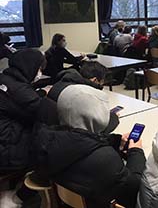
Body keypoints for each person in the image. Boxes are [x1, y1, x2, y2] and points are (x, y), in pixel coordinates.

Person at [35, 85, 146, 208]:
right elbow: (133, 188)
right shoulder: (104, 158)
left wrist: (115, 140)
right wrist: (136, 152)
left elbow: (81, 141)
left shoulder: (46, 138)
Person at [0, 49, 56, 207]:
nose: (40, 73)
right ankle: (21, 196)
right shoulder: (20, 91)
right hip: (7, 153)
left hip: (4, 137)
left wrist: (39, 94)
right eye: (39, 69)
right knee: (52, 144)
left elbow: (20, 101)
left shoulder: (5, 79)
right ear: (31, 67)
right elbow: (48, 113)